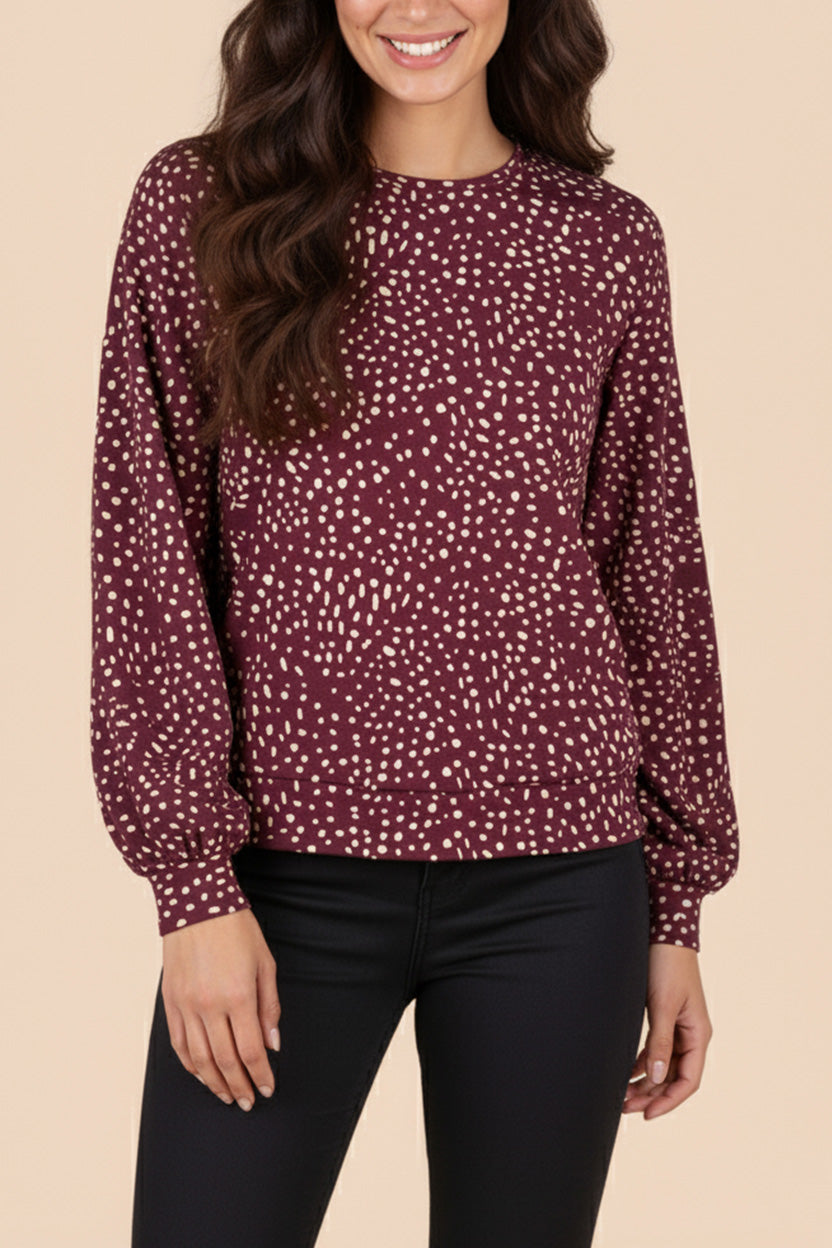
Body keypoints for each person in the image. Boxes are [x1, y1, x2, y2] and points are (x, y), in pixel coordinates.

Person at [89, 2, 740, 1245]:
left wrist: (673, 908)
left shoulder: (601, 241)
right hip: (282, 885)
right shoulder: (205, 206)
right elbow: (147, 544)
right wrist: (190, 886)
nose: (417, 6)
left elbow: (650, 565)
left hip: (561, 885)